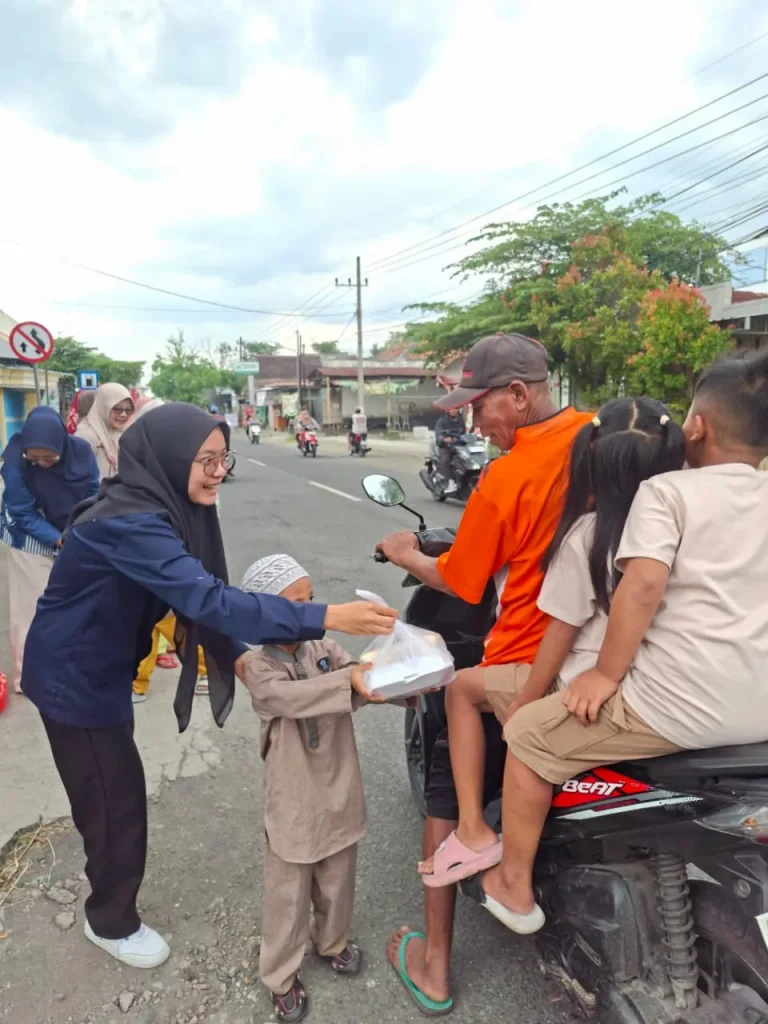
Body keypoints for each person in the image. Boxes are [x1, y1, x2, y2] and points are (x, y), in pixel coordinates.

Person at [21, 403, 396, 971]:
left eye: (225, 459)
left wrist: (235, 657)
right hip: (74, 680)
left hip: (101, 670)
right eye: (206, 461)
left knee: (111, 793)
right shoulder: (130, 522)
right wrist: (326, 615)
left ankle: (108, 896)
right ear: (171, 459)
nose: (220, 471)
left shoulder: (160, 509)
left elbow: (191, 597)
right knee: (114, 800)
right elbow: (209, 600)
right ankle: (110, 921)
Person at [480, 349, 768, 935]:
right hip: (760, 709)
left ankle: (512, 882)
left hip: (678, 706)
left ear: (697, 428)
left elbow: (642, 586)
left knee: (528, 735)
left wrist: (606, 675)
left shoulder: (667, 492)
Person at [376, 332, 593, 1014]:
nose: (474, 422)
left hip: (521, 661)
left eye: (479, 407)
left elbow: (463, 581)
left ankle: (436, 967)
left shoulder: (508, 476)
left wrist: (406, 553)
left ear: (519, 395)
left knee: (445, 782)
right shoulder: (603, 438)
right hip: (599, 660)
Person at [419, 397, 685, 893]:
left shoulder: (587, 535)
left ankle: (477, 833)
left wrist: (525, 701)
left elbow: (558, 632)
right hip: (659, 682)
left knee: (463, 689)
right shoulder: (682, 526)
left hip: (582, 683)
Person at [236, 554, 384, 1023]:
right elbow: (290, 698)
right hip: (294, 797)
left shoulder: (323, 647)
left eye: (310, 600)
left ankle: (332, 942)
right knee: (288, 893)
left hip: (339, 783)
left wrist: (400, 678)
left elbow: (356, 680)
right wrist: (350, 679)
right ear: (265, 613)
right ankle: (280, 975)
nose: (308, 613)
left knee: (339, 876)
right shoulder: (258, 667)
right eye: (294, 605)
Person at [0, 407, 99, 694]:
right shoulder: (15, 460)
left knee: (71, 602)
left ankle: (63, 667)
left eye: (50, 458)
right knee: (31, 607)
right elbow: (22, 512)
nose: (42, 464)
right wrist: (58, 539)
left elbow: (92, 493)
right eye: (34, 459)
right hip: (27, 537)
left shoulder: (81, 451)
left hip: (71, 529)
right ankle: (27, 677)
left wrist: (78, 529)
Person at [76, 383, 135, 479]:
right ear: (103, 407)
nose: (124, 414)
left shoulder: (122, 434)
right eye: (117, 409)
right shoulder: (85, 438)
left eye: (128, 410)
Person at [434, 408, 466, 492]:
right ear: (448, 410)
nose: (454, 410)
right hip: (446, 447)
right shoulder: (442, 421)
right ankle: (450, 483)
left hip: (458, 446)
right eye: (451, 408)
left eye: (455, 408)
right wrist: (444, 439)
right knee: (445, 460)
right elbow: (438, 434)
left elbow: (464, 433)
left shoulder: (460, 420)